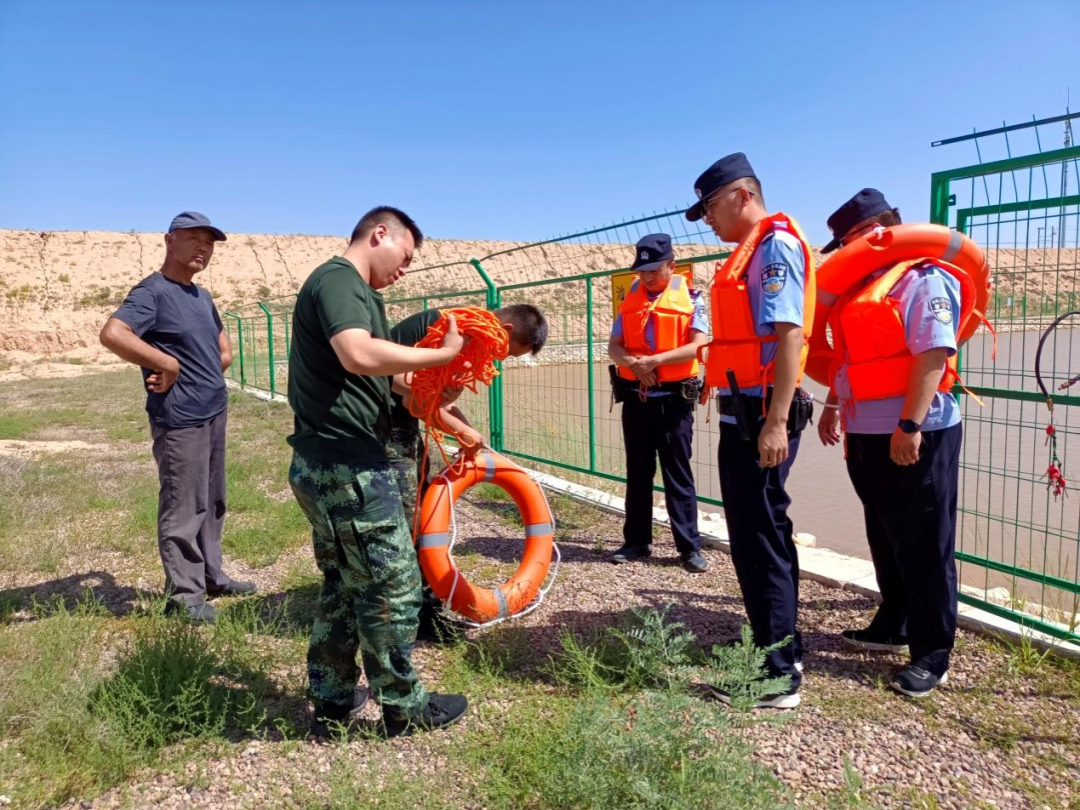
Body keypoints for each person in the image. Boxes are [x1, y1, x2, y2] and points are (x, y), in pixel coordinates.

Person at [286, 205, 468, 738]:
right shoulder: (339, 280)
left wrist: (434, 387)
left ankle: (333, 697)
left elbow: (383, 382)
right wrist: (439, 356)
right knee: (393, 585)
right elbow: (357, 354)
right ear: (379, 233)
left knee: (345, 584)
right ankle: (404, 708)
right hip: (347, 468)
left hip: (331, 462)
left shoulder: (362, 296)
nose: (405, 268)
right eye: (405, 256)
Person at [816, 189, 963, 698]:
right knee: (884, 531)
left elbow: (933, 356)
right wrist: (835, 406)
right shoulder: (862, 290)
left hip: (915, 430)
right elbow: (851, 361)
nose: (844, 252)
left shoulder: (922, 279)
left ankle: (932, 654)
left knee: (925, 540)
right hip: (865, 429)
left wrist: (909, 425)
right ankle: (894, 622)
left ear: (879, 230)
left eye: (849, 240)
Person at [686, 153, 816, 708]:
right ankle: (782, 644)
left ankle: (776, 675)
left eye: (711, 207)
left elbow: (789, 336)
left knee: (759, 539)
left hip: (762, 414)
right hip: (749, 412)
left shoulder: (773, 248)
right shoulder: (751, 252)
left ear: (742, 195)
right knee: (764, 532)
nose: (708, 220)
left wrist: (777, 422)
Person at [100, 212, 255, 626]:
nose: (203, 247)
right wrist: (165, 361)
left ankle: (211, 576)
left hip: (213, 409)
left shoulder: (201, 297)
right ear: (170, 240)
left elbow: (221, 347)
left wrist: (212, 364)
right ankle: (184, 596)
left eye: (210, 242)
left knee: (213, 498)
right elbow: (114, 334)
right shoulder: (152, 292)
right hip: (179, 417)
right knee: (183, 504)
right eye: (194, 238)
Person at [387, 303, 549, 639]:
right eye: (507, 353)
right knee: (408, 524)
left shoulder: (461, 336)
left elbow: (435, 399)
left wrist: (470, 433)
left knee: (416, 517)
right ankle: (413, 617)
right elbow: (403, 384)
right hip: (380, 431)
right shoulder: (445, 331)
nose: (499, 361)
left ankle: (417, 606)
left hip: (400, 430)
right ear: (502, 331)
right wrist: (459, 431)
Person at [607, 234, 709, 574]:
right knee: (638, 473)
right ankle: (636, 541)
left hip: (674, 403)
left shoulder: (693, 298)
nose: (647, 277)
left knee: (677, 474)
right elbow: (614, 347)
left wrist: (654, 362)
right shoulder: (630, 301)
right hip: (637, 400)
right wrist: (636, 364)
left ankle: (688, 547)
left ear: (672, 265)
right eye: (642, 271)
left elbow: (698, 345)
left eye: (654, 269)